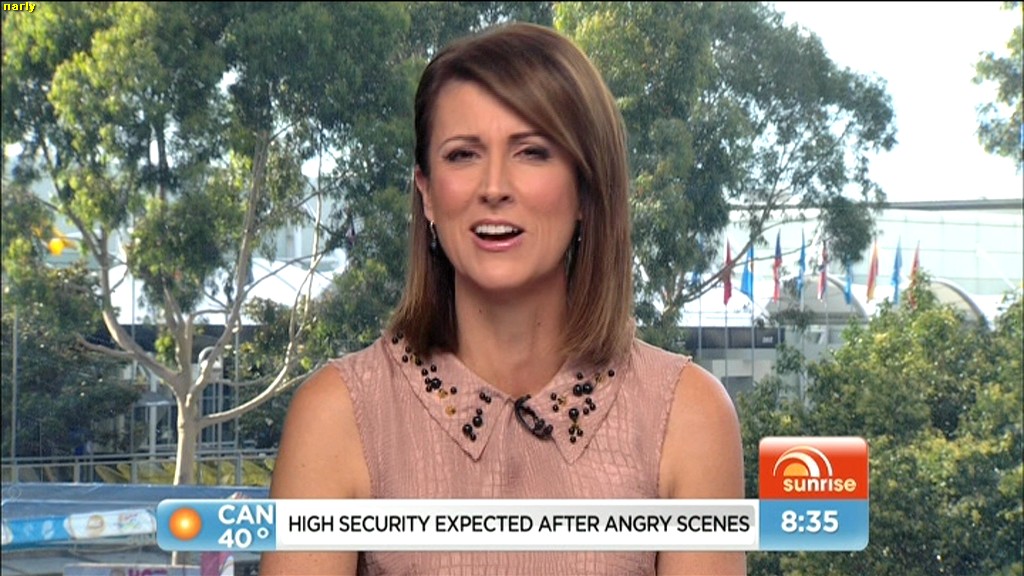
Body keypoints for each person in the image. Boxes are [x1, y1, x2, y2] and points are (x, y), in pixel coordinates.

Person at [260, 22, 744, 576]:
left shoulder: (687, 415)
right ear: (427, 194)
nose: (494, 187)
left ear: (586, 190)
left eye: (531, 152)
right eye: (463, 155)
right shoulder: (338, 415)